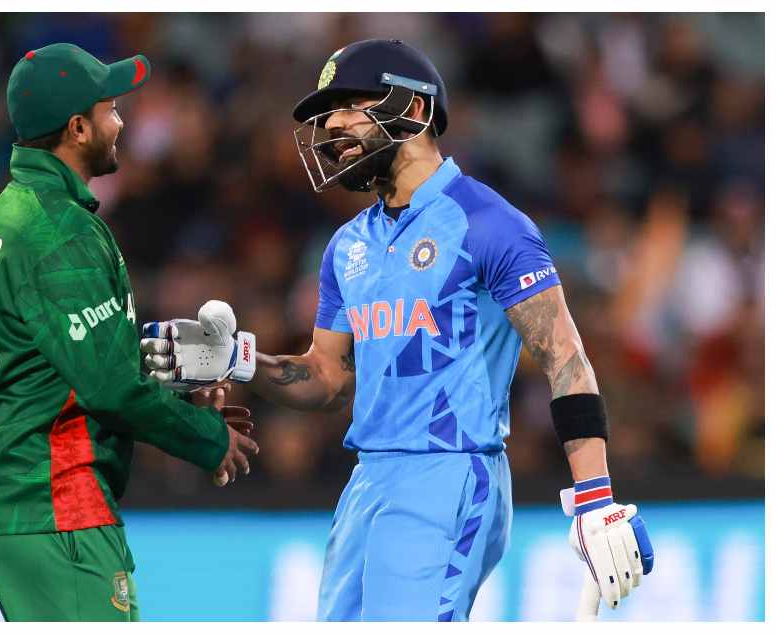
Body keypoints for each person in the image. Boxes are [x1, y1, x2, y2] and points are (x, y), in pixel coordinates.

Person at [142, 39, 652, 621]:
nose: (331, 125)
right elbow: (328, 377)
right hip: (367, 480)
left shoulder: (489, 223)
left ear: (413, 108)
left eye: (348, 105)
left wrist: (595, 498)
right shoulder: (347, 245)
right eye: (326, 114)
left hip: (452, 472)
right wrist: (237, 359)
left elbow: (565, 358)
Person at [0, 42, 258, 622]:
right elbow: (109, 388)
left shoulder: (12, 211)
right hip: (51, 496)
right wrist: (208, 437)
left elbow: (61, 361)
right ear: (77, 128)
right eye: (111, 109)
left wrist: (171, 381)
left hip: (20, 492)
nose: (121, 123)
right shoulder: (58, 232)